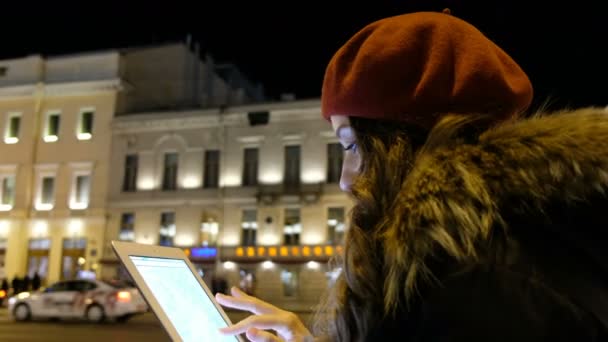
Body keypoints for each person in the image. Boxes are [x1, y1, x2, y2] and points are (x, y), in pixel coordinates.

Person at [216, 10, 608, 341]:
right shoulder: (509, 252)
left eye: (352, 146)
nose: (345, 180)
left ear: (404, 147)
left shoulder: (474, 283)